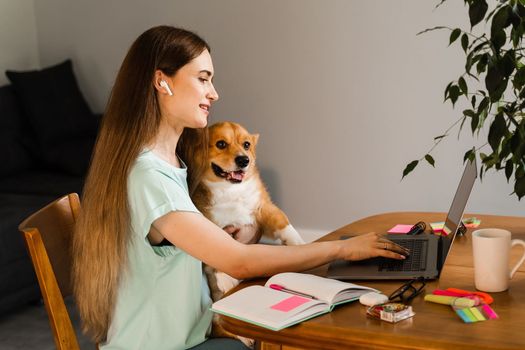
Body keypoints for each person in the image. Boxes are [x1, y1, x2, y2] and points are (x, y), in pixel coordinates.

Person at [72, 25, 408, 350]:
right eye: (203, 78)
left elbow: (204, 248)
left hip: (192, 334)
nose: (213, 93)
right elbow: (238, 262)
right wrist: (341, 249)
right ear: (162, 81)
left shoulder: (172, 163)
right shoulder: (147, 175)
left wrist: (242, 233)